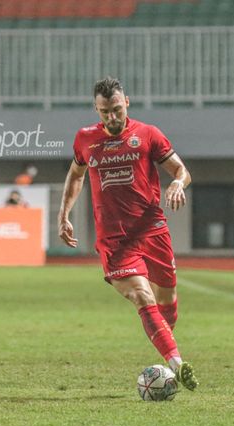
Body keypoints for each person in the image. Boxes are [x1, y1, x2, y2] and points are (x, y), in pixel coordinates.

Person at [58, 77, 198, 392]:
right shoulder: (85, 139)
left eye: (117, 109)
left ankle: (165, 351)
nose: (112, 117)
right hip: (115, 241)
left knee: (167, 301)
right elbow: (76, 175)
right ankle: (177, 364)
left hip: (152, 231)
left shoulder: (148, 134)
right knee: (141, 295)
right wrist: (63, 214)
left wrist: (178, 182)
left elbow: (180, 170)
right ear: (96, 108)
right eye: (105, 111)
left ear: (127, 103)